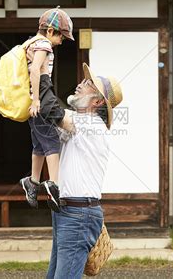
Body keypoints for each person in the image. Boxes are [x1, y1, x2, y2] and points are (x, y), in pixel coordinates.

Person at [47, 63, 123, 279]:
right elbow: (48, 120)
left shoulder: (91, 124)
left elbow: (51, 111)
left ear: (97, 101)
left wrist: (41, 77)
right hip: (67, 211)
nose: (80, 84)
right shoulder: (78, 122)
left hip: (78, 214)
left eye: (88, 84)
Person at [19, 6, 75, 212]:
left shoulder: (30, 43)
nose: (61, 41)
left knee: (39, 144)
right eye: (61, 36)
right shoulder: (43, 44)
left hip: (33, 95)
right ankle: (54, 184)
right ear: (50, 31)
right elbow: (35, 70)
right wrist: (36, 100)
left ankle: (33, 181)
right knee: (53, 141)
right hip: (42, 93)